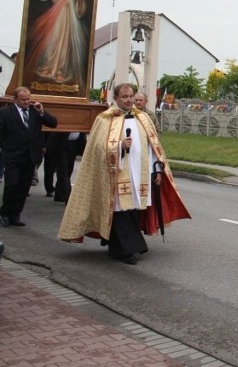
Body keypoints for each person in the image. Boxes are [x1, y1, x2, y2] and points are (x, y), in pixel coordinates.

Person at [58, 83, 190, 264]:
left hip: (141, 174)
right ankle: (124, 250)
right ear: (116, 99)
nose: (129, 100)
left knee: (135, 210)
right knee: (120, 211)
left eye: (131, 97)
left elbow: (153, 148)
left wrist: (157, 169)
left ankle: (118, 244)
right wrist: (119, 146)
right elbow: (97, 148)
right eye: (124, 97)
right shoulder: (105, 119)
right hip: (117, 175)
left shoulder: (143, 118)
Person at [0, 87, 58, 226]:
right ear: (15, 99)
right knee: (12, 184)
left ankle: (15, 215)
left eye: (28, 99)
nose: (27, 102)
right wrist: (5, 146)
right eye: (23, 100)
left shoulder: (36, 111)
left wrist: (42, 112)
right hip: (13, 155)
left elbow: (53, 123)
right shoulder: (5, 113)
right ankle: (5, 213)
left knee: (23, 187)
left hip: (31, 156)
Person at [26, 0, 88, 85]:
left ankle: (61, 70)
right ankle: (48, 67)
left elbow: (82, 3)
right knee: (52, 41)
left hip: (69, 18)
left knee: (65, 44)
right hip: (56, 15)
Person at [44, 131, 86, 203]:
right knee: (63, 171)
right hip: (60, 143)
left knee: (69, 170)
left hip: (74, 144)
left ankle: (59, 194)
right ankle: (68, 197)